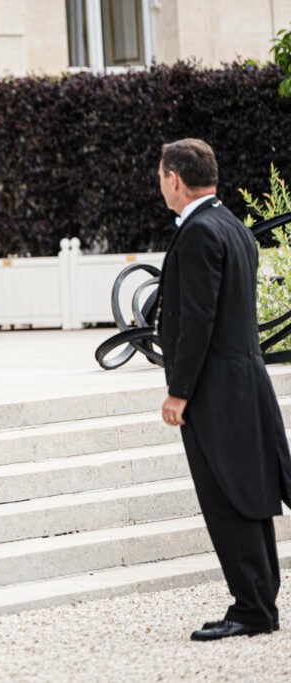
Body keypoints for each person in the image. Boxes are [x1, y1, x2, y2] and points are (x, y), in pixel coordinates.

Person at [157, 138, 291, 641]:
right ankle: (260, 603)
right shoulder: (233, 225)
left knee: (228, 496)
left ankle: (254, 609)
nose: (161, 185)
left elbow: (197, 320)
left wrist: (179, 391)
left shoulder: (198, 233)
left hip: (215, 388)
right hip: (244, 378)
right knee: (250, 492)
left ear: (175, 178)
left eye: (161, 176)